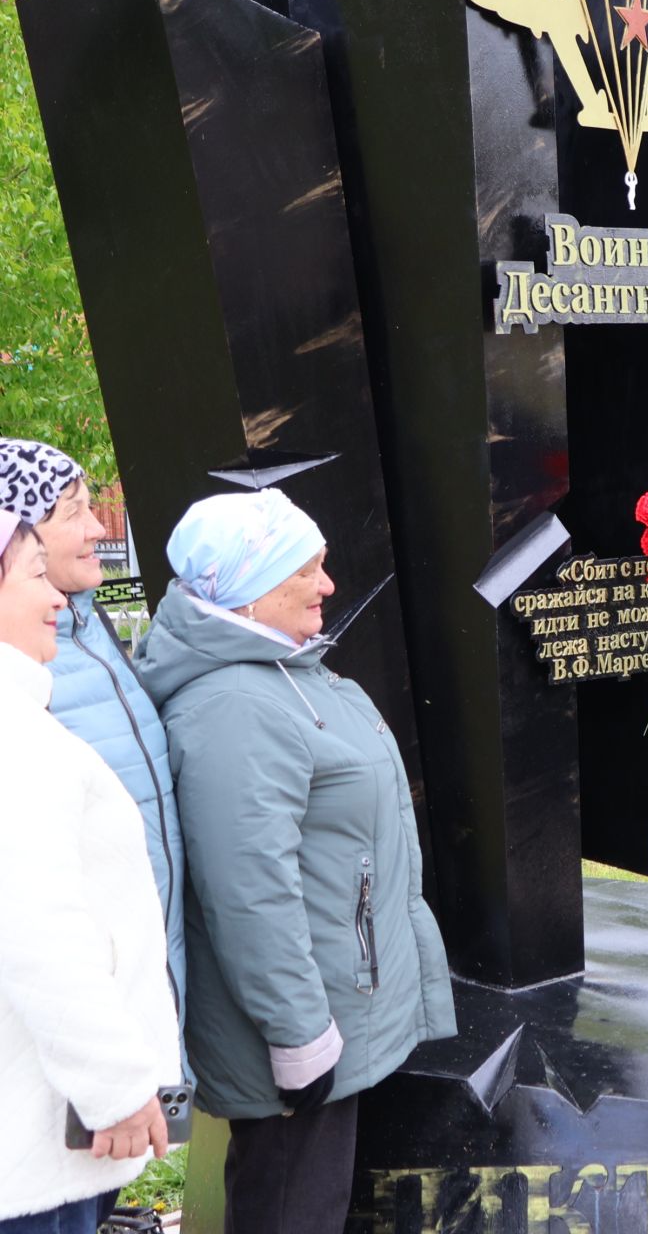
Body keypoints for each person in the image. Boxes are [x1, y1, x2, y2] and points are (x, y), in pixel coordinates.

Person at [134, 489, 455, 1234]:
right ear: (249, 591)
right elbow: (249, 892)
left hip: (336, 1006)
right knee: (288, 1213)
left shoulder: (282, 674)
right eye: (306, 569)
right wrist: (301, 1035)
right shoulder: (234, 706)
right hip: (298, 1038)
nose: (328, 584)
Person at [0, 512, 181, 1233]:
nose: (57, 599)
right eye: (36, 575)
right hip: (35, 1149)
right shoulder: (14, 742)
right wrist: (115, 1089)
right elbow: (38, 928)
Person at [0, 440, 188, 1078]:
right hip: (79, 1021)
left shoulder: (87, 625)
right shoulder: (24, 666)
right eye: (72, 513)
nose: (95, 528)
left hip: (148, 972)